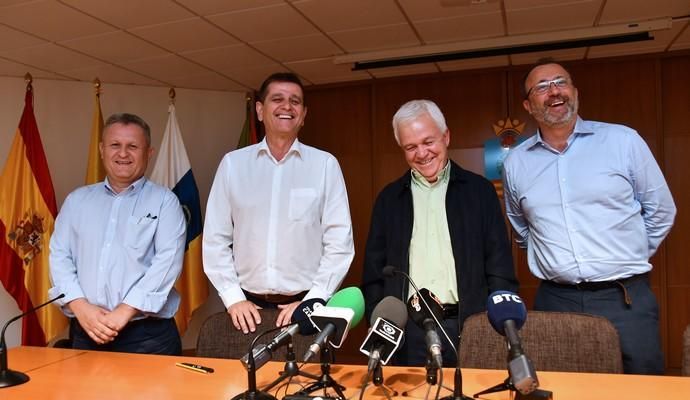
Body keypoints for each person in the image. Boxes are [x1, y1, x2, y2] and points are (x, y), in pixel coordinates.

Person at [503, 60, 676, 374]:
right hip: (556, 300)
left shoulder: (623, 141)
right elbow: (521, 228)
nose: (554, 91)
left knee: (644, 396)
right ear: (528, 105)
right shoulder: (516, 162)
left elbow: (661, 210)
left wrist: (628, 254)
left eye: (561, 82)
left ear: (574, 92)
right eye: (542, 86)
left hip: (625, 299)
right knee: (563, 396)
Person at [362, 100, 518, 366]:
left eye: (428, 142)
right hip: (408, 332)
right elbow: (373, 274)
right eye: (411, 147)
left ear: (446, 137)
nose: (422, 153)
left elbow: (499, 267)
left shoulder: (479, 192)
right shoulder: (389, 199)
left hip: (469, 325)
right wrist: (381, 323)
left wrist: (497, 326)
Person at [203, 72, 354, 335]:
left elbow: (339, 242)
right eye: (278, 99)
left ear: (304, 114)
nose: (287, 106)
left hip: (305, 307)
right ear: (260, 110)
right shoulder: (233, 165)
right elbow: (215, 239)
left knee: (306, 377)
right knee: (246, 376)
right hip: (246, 310)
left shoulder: (324, 165)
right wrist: (233, 297)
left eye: (295, 101)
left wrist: (314, 299)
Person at [49, 113, 186, 355]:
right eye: (115, 145)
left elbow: (166, 263)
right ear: (102, 150)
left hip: (148, 338)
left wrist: (124, 311)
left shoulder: (165, 202)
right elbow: (59, 257)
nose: (123, 154)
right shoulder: (77, 201)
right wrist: (80, 307)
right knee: (87, 395)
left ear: (149, 153)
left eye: (133, 146)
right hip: (86, 329)